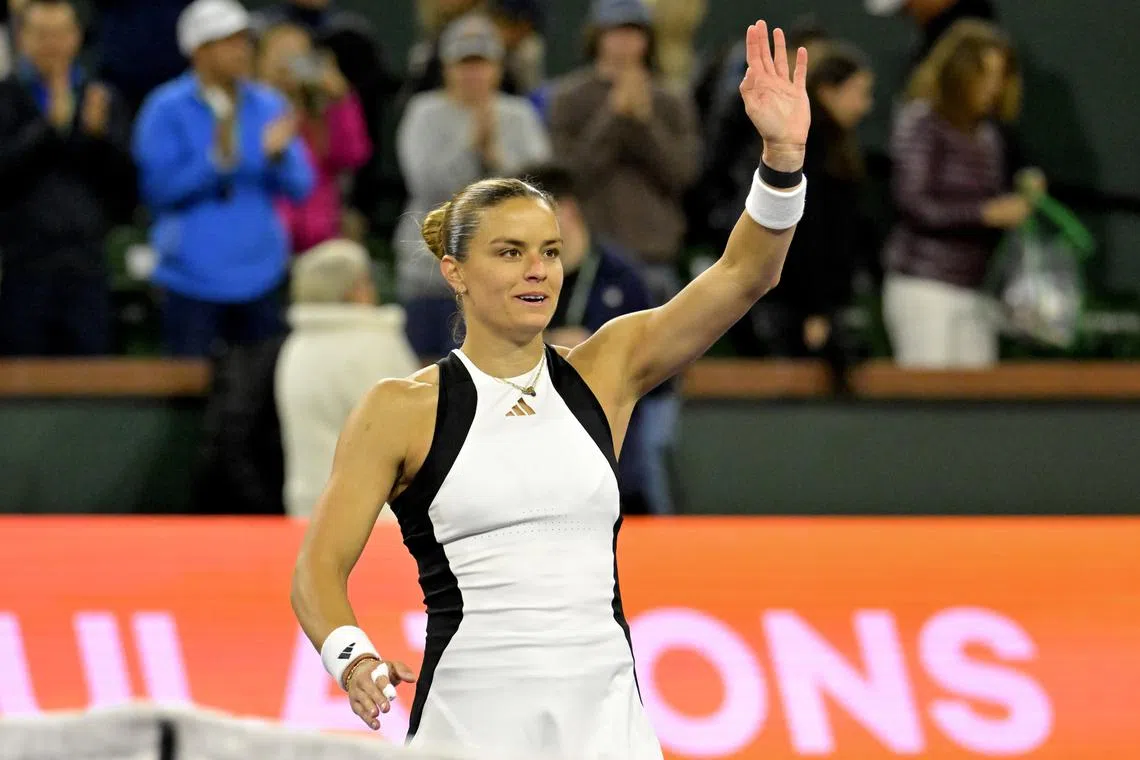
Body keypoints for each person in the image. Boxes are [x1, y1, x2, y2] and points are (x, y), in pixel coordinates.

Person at [291, 18, 811, 760]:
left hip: (607, 725)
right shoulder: (401, 409)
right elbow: (317, 569)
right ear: (456, 272)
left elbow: (745, 274)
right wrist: (351, 656)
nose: (537, 270)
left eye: (549, 252)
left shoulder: (610, 368)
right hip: (470, 724)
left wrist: (782, 161)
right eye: (510, 253)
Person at [132, 0, 315, 357]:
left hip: (262, 275)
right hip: (190, 279)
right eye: (228, 42)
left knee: (262, 395)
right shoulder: (164, 109)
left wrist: (275, 158)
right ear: (199, 50)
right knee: (189, 394)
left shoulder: (268, 105)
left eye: (244, 41)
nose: (241, 51)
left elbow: (301, 185)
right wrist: (218, 162)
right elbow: (158, 190)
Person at [393, 12, 550, 362]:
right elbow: (425, 182)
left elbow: (537, 193)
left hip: (505, 281)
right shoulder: (424, 112)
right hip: (432, 277)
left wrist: (495, 157)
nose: (473, 74)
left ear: (497, 67)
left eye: (481, 63)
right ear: (447, 67)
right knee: (429, 387)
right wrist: (469, 147)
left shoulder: (519, 115)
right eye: (464, 64)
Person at [882, 19, 1036, 368]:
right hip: (925, 287)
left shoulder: (989, 135)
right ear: (959, 73)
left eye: (1001, 75)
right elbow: (914, 203)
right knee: (929, 412)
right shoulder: (922, 122)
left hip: (976, 290)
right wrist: (986, 213)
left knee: (978, 413)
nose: (994, 87)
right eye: (985, 74)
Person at [0, 0, 135, 356]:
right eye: (42, 35)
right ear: (22, 38)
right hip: (22, 266)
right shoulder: (7, 98)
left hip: (87, 264)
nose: (52, 44)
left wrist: (97, 139)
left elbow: (125, 189)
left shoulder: (101, 99)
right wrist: (48, 129)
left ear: (77, 37)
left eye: (60, 34)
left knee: (93, 379)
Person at [276, 239, 419, 519]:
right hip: (376, 518)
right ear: (355, 290)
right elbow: (408, 436)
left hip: (308, 508)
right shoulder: (373, 343)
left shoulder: (295, 346)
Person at [256, 21, 372, 253]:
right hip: (266, 241)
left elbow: (353, 156)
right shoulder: (249, 110)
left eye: (299, 55)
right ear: (261, 61)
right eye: (282, 54)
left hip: (320, 238)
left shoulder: (322, 111)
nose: (289, 63)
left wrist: (341, 99)